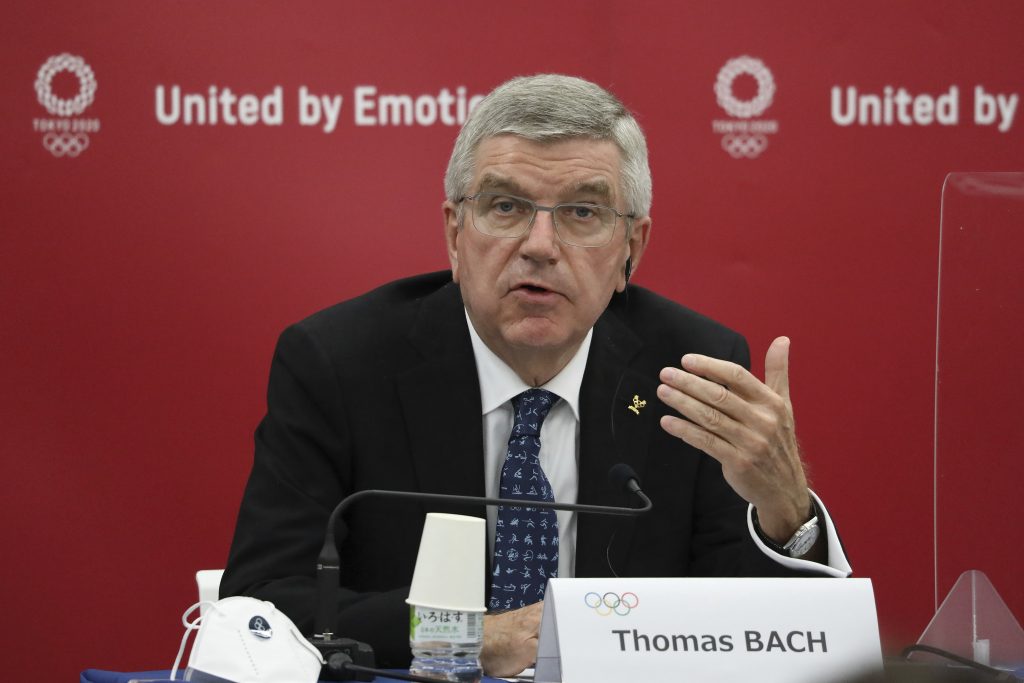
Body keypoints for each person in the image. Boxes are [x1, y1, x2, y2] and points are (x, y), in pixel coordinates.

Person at [221, 74, 851, 677]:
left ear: (633, 248)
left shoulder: (689, 372)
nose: (541, 245)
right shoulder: (339, 363)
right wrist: (463, 634)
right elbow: (261, 604)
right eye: (505, 206)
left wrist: (786, 513)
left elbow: (755, 634)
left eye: (582, 213)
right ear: (454, 233)